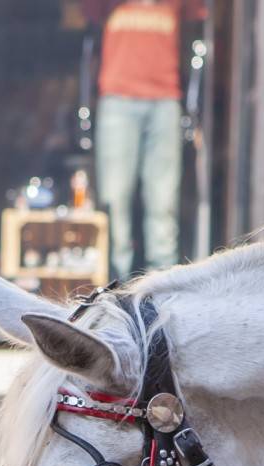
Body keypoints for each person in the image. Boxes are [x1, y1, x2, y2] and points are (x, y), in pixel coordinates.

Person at [84, 0, 205, 278]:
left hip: (165, 99)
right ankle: (116, 280)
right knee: (114, 197)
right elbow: (87, 16)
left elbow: (198, 21)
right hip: (118, 98)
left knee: (163, 199)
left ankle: (160, 283)